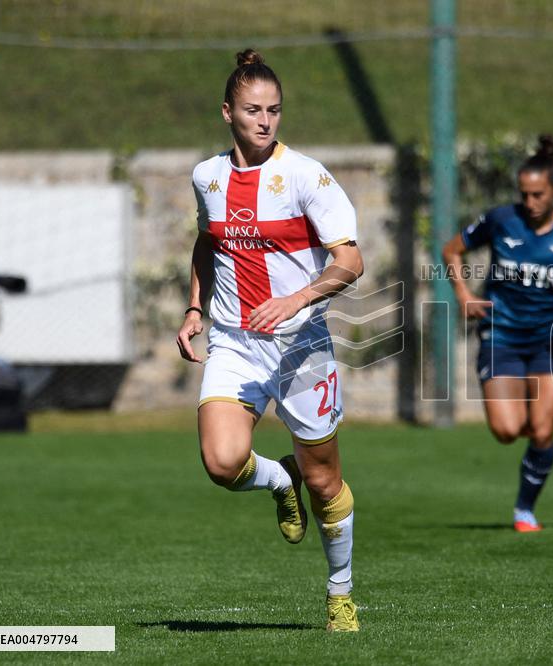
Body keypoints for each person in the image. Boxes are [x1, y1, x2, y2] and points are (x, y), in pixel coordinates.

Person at [176, 49, 364, 631]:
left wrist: (297, 298)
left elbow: (351, 262)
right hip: (235, 343)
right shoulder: (207, 176)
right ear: (227, 112)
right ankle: (278, 480)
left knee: (325, 480)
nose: (265, 120)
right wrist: (193, 309)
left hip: (301, 345)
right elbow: (209, 244)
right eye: (253, 110)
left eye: (275, 110)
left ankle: (340, 594)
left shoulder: (306, 176)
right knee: (221, 461)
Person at [441, 135, 553, 532]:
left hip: (550, 340)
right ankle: (528, 450)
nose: (530, 202)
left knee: (541, 429)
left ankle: (524, 510)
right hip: (501, 336)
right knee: (505, 430)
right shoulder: (501, 220)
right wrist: (463, 293)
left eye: (538, 194)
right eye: (525, 194)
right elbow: (451, 250)